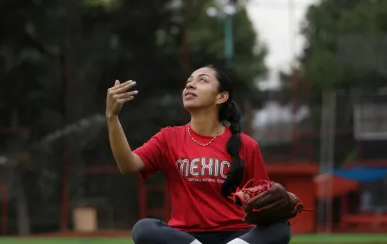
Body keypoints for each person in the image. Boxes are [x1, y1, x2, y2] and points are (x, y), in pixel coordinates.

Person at [106, 65, 291, 244]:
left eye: (202, 80)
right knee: (143, 228)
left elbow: (263, 202)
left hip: (237, 235)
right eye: (188, 82)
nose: (190, 85)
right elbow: (127, 164)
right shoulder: (169, 138)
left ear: (221, 96)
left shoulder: (246, 145)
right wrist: (112, 117)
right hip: (185, 238)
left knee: (281, 229)